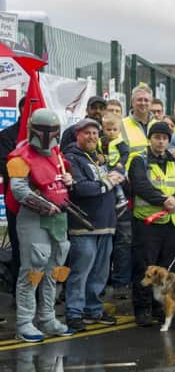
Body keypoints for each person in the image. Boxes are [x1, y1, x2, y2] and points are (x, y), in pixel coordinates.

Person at [8, 109, 74, 342]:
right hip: (34, 218)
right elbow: (18, 190)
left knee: (54, 271)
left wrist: (69, 179)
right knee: (33, 270)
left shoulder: (57, 155)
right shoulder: (19, 157)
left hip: (59, 218)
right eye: (43, 130)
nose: (47, 136)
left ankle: (47, 317)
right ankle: (25, 321)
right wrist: (44, 206)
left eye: (52, 131)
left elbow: (62, 183)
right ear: (31, 128)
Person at [129, 122, 175, 326]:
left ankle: (162, 307)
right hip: (148, 223)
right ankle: (143, 309)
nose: (161, 141)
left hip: (172, 223)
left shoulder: (174, 162)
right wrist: (163, 200)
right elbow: (140, 184)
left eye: (164, 138)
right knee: (144, 267)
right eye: (157, 137)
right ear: (150, 139)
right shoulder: (139, 160)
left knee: (168, 269)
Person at [65, 118, 122, 332]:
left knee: (99, 272)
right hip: (84, 224)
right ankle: (74, 313)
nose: (92, 137)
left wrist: (114, 177)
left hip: (106, 224)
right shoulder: (71, 158)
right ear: (77, 135)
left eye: (95, 133)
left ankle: (93, 310)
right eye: (86, 133)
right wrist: (109, 181)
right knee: (80, 271)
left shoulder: (97, 158)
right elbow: (82, 189)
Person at [113, 83, 157, 298]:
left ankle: (146, 282)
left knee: (146, 241)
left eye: (146, 100)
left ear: (152, 102)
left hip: (154, 190)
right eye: (139, 100)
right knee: (125, 239)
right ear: (132, 102)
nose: (143, 103)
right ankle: (122, 285)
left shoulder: (159, 124)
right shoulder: (122, 125)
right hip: (128, 188)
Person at [0, 96, 25, 297]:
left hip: (42, 203)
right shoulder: (7, 136)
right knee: (19, 248)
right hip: (16, 201)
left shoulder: (46, 137)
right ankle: (20, 295)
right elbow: (5, 166)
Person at [99, 112, 129, 211]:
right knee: (107, 181)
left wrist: (121, 163)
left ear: (119, 130)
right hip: (107, 166)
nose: (111, 132)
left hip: (118, 166)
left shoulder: (119, 142)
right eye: (108, 130)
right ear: (103, 129)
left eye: (114, 130)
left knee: (115, 181)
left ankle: (121, 198)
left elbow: (125, 153)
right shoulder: (102, 141)